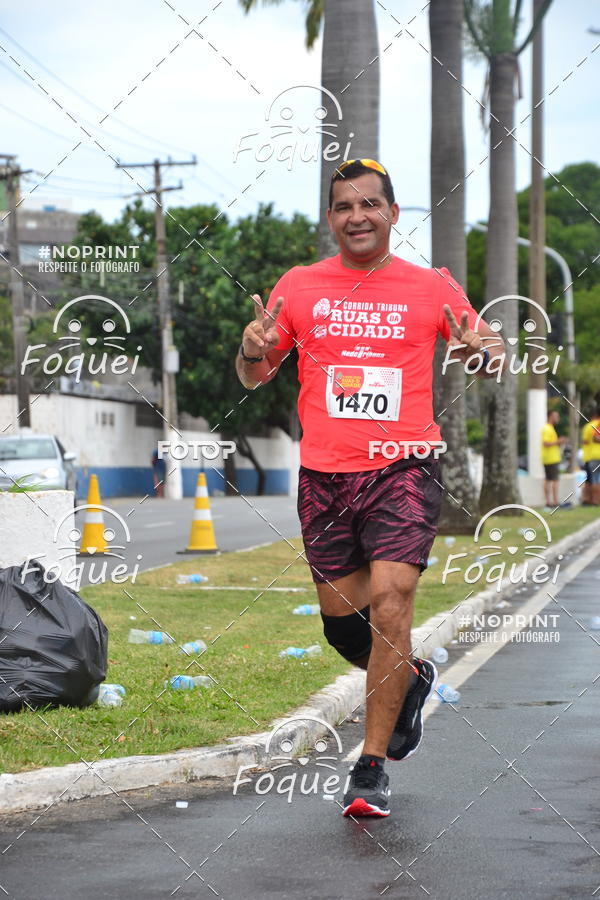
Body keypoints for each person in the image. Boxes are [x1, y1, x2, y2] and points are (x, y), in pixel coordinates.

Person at [235, 159, 505, 819]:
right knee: (346, 629)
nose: (357, 216)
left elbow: (487, 349)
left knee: (391, 606)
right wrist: (250, 349)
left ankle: (371, 766)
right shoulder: (298, 286)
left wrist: (479, 348)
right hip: (326, 475)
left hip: (404, 467)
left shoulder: (428, 285)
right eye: (344, 206)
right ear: (331, 218)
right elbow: (254, 376)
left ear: (392, 213)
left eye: (370, 204)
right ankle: (410, 682)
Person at [541, 410, 566, 509]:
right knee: (554, 480)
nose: (558, 418)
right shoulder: (547, 428)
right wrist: (558, 441)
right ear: (550, 416)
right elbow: (545, 443)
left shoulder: (550, 428)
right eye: (556, 416)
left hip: (549, 458)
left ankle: (550, 502)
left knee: (548, 480)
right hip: (551, 458)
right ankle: (554, 502)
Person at [586, 406, 600, 506]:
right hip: (595, 455)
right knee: (595, 479)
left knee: (594, 479)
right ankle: (595, 501)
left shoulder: (593, 425)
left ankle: (594, 500)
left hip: (593, 455)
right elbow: (595, 438)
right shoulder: (597, 424)